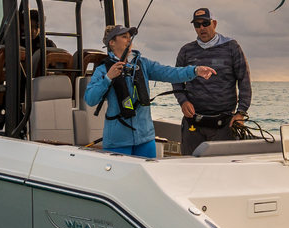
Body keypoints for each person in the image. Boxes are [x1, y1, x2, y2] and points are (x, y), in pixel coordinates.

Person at [85, 24, 215, 159]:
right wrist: (108, 78)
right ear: (112, 42)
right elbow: (90, 99)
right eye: (124, 37)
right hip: (117, 142)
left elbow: (169, 72)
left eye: (130, 37)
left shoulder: (143, 64)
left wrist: (195, 71)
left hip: (146, 140)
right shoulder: (103, 70)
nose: (129, 40)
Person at [173, 6, 252, 156]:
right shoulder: (186, 50)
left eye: (205, 23)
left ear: (214, 24)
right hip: (193, 123)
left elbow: (244, 80)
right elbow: (176, 79)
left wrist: (241, 112)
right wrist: (183, 101)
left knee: (221, 167)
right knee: (190, 165)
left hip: (224, 124)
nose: (201, 28)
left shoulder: (232, 47)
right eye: (197, 25)